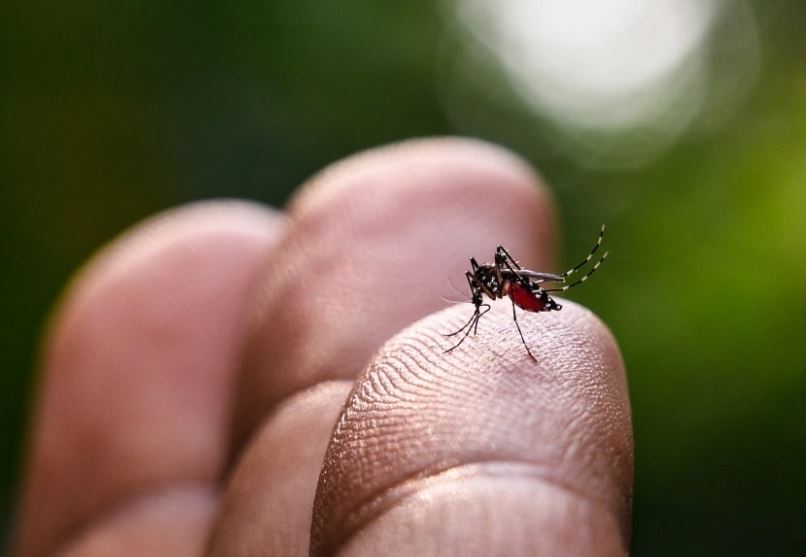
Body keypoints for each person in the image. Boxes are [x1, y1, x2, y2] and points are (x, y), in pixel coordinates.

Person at [14, 138, 632, 556]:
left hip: (527, 303)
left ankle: (561, 284)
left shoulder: (498, 288)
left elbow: (494, 287)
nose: (478, 290)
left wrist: (509, 306)